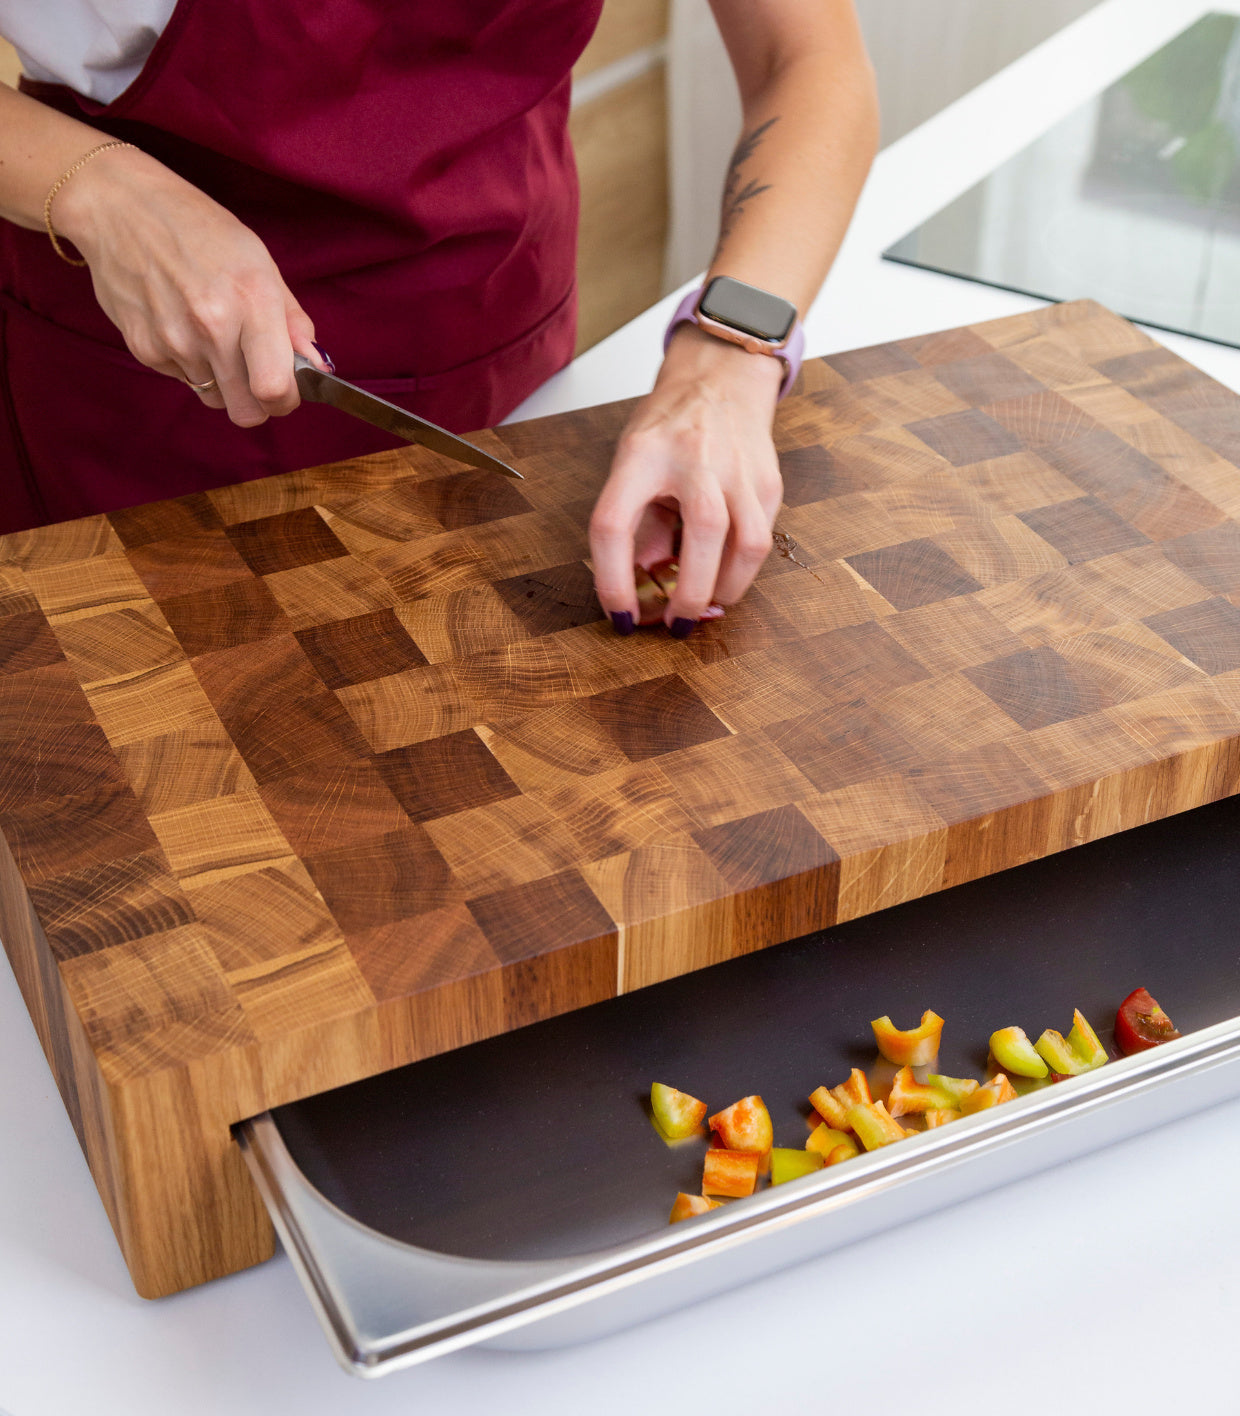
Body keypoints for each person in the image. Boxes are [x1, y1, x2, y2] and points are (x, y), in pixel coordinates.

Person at [0, 0, 878, 637]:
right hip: (145, 393)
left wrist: (724, 362)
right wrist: (104, 191)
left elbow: (805, 60)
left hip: (507, 332)